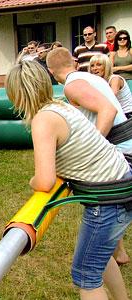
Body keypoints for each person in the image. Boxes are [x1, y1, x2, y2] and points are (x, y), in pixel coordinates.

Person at [6, 59, 131, 300]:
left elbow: (44, 181)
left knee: (86, 275)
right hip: (122, 184)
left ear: (17, 94)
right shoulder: (62, 106)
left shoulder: (43, 119)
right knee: (100, 259)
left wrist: (32, 181)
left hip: (109, 200)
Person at [48, 48, 132, 268]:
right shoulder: (88, 77)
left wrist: (94, 146)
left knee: (107, 203)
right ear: (74, 62)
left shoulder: (71, 84)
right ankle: (117, 253)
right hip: (124, 146)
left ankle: (114, 254)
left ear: (50, 70)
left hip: (122, 150)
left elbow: (107, 110)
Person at [89, 54, 132, 119]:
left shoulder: (115, 79)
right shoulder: (97, 82)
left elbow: (111, 98)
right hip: (113, 114)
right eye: (92, 66)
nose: (94, 68)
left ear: (106, 66)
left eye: (99, 65)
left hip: (127, 115)